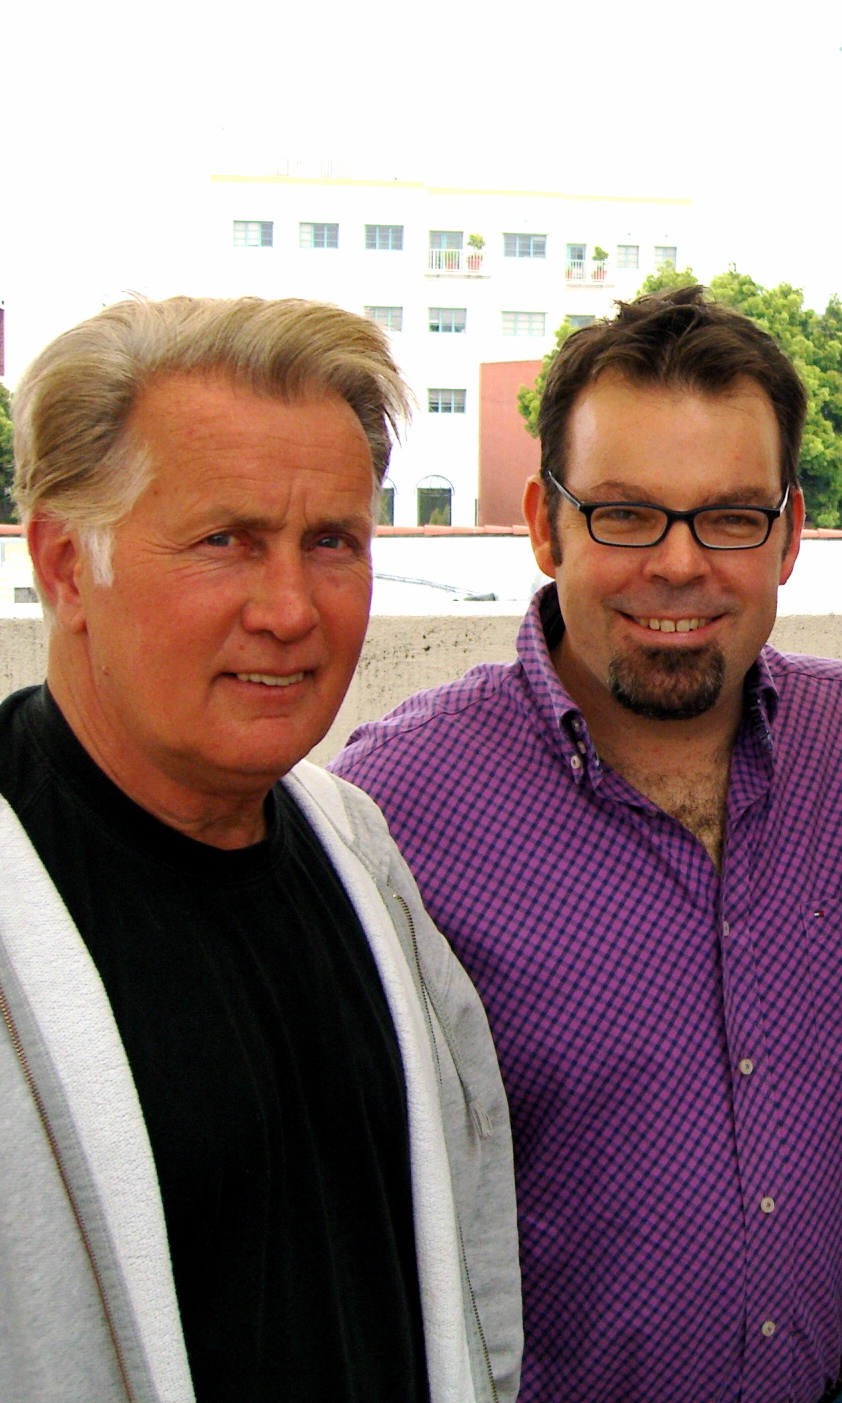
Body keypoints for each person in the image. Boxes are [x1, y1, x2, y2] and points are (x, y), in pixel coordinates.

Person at [0, 295, 521, 1403]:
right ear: (62, 562)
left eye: (330, 542)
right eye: (223, 540)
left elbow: (461, 1243)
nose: (290, 609)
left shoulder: (356, 852)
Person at [331, 285, 842, 1403]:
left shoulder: (839, 753)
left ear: (788, 534)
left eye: (728, 515)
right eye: (622, 512)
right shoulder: (391, 813)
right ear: (541, 522)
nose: (676, 563)